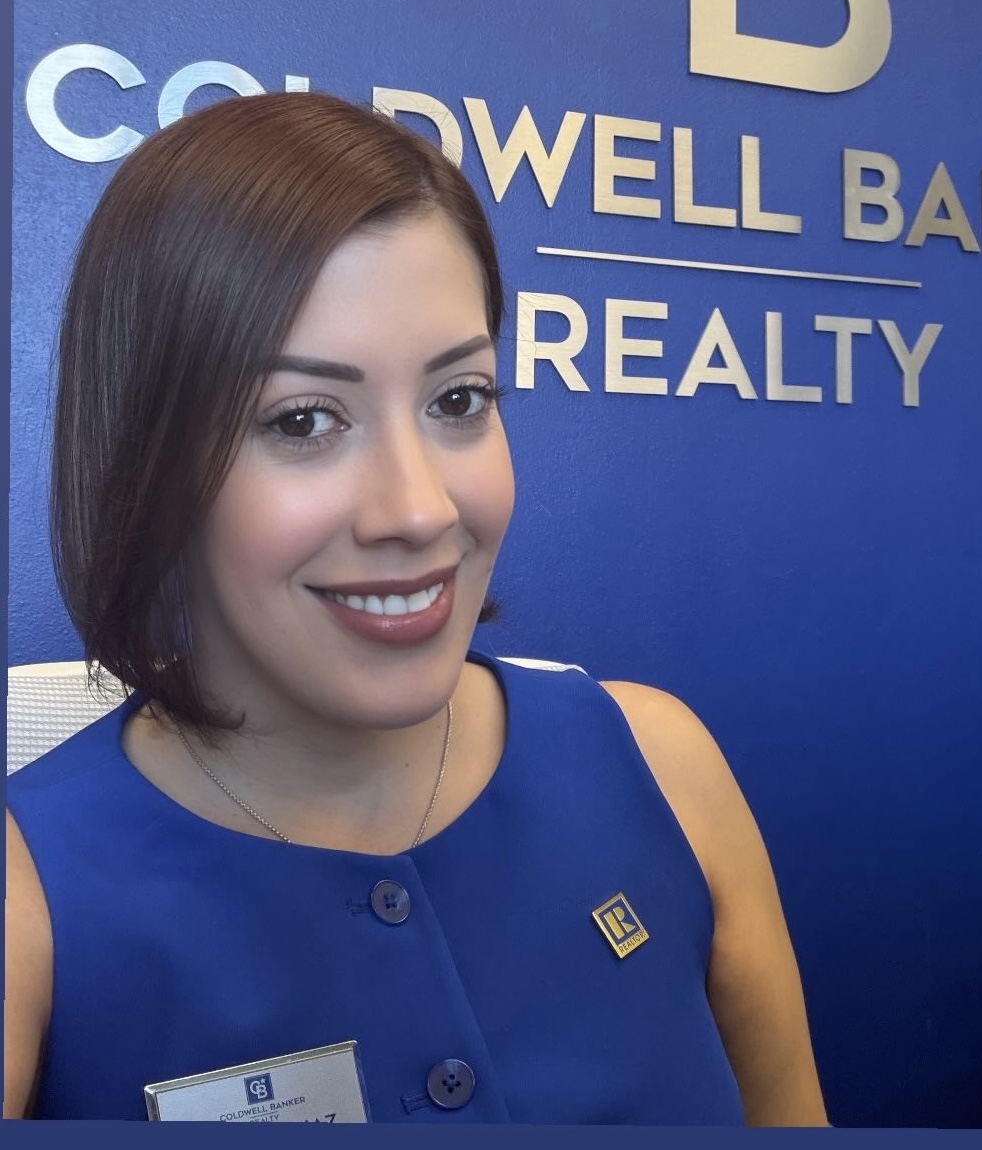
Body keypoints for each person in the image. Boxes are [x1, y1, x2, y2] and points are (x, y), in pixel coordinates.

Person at [4, 91, 828, 1125]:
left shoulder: (661, 767)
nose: (420, 509)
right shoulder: (29, 905)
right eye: (303, 420)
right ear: (147, 459)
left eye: (458, 400)